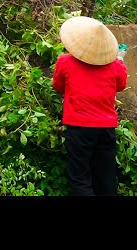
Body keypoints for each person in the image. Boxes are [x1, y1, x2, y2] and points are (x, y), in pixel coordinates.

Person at [51, 16, 128, 196]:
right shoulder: (116, 65)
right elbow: (121, 85)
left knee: (80, 178)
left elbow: (58, 86)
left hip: (78, 128)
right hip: (106, 129)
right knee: (107, 178)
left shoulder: (65, 62)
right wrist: (120, 61)